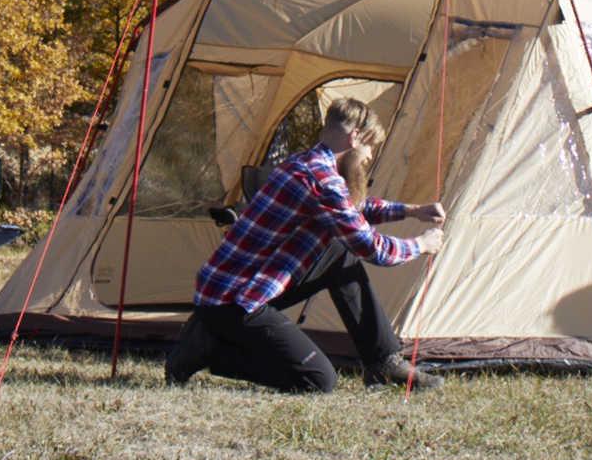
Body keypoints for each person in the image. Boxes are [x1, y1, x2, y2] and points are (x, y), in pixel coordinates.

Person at [164, 96, 447, 393]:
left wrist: (411, 210)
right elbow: (370, 247)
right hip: (234, 300)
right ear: (355, 138)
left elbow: (353, 209)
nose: (369, 156)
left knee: (339, 253)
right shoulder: (320, 179)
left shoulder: (305, 162)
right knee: (318, 381)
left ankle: (382, 363)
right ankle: (208, 352)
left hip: (238, 287)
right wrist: (422, 244)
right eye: (370, 147)